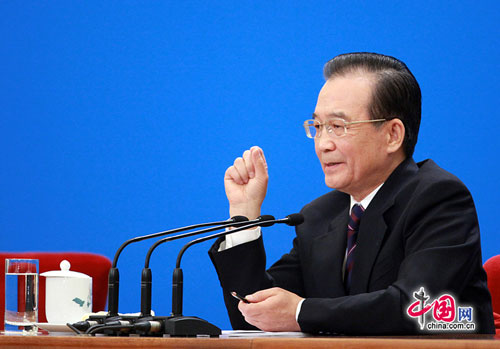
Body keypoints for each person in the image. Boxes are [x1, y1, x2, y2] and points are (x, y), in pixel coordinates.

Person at [208, 52, 495, 334]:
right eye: (318, 127)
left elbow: (417, 307)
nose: (322, 144)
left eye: (338, 126)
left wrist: (300, 312)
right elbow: (253, 317)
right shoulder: (320, 215)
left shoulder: (438, 198)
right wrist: (243, 215)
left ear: (392, 135)